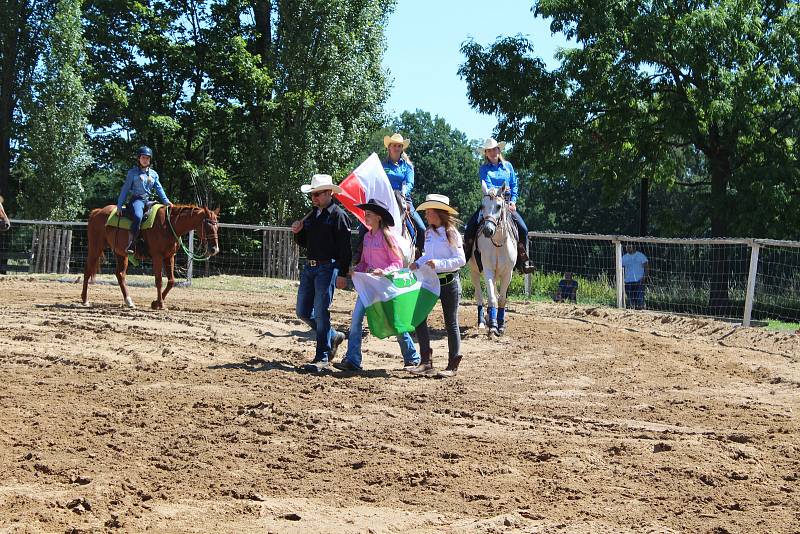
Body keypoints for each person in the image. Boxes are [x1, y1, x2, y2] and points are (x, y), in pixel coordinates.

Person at [334, 199, 420, 372]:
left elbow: (397, 262)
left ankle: (412, 357)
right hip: (369, 286)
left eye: (369, 214)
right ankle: (353, 359)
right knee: (356, 319)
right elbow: (365, 262)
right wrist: (357, 269)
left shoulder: (387, 236)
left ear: (379, 217)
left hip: (385, 287)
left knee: (395, 321)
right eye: (366, 213)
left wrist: (384, 271)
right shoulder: (367, 237)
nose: (366, 216)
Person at [291, 174, 352, 372]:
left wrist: (342, 273)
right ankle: (333, 336)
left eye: (317, 194)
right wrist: (298, 232)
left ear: (329, 193)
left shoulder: (338, 216)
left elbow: (345, 248)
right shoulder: (311, 215)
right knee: (303, 311)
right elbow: (305, 243)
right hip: (310, 267)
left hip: (328, 268)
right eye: (312, 194)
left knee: (321, 310)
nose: (314, 197)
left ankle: (322, 356)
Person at [408, 194, 466, 378]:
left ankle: (452, 364)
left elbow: (460, 260)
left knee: (451, 322)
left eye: (429, 212)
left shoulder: (452, 233)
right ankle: (426, 361)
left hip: (449, 283)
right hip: (431, 282)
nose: (426, 215)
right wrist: (419, 262)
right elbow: (428, 255)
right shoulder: (428, 233)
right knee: (418, 317)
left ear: (438, 213)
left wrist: (438, 264)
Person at [463, 138, 534, 274]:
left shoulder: (508, 166)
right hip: (490, 204)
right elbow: (488, 185)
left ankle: (523, 260)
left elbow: (514, 185)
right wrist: (499, 190)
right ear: (486, 153)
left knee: (523, 229)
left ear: (498, 150)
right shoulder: (484, 169)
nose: (492, 152)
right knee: (470, 227)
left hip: (506, 205)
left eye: (494, 149)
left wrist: (513, 201)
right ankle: (466, 256)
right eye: (489, 150)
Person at [116, 146, 172, 254]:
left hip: (149, 201)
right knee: (138, 216)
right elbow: (125, 189)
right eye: (143, 157)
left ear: (150, 160)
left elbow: (159, 188)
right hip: (137, 200)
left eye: (147, 158)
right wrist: (119, 205)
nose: (145, 160)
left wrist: (166, 201)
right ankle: (131, 243)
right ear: (139, 158)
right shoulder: (132, 173)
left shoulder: (154, 174)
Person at [383, 133, 426, 252]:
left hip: (403, 199)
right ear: (389, 147)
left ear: (402, 148)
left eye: (399, 146)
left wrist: (403, 192)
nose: (396, 148)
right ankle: (359, 254)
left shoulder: (408, 166)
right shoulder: (382, 165)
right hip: (385, 199)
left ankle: (419, 252)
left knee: (422, 228)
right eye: (394, 145)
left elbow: (409, 183)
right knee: (364, 227)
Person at [622, 244, 649, 309]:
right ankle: (632, 311)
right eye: (627, 247)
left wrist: (644, 276)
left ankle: (641, 311)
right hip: (628, 281)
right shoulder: (624, 257)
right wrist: (622, 279)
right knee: (630, 299)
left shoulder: (641, 256)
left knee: (640, 298)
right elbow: (620, 268)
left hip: (639, 280)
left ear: (634, 247)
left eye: (629, 247)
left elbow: (647, 267)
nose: (627, 248)